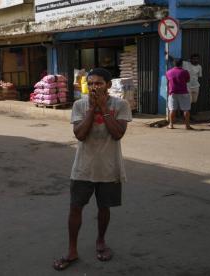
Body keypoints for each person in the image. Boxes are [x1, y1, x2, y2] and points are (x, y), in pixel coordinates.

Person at [53, 68, 132, 271]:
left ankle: (100, 242)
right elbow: (79, 135)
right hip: (83, 168)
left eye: (99, 83)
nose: (94, 87)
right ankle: (72, 250)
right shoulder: (79, 105)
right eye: (91, 83)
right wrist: (91, 110)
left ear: (108, 85)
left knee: (104, 208)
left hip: (109, 167)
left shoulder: (120, 105)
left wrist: (104, 108)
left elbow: (117, 134)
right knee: (75, 207)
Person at [166, 58, 193, 130]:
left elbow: (168, 80)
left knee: (172, 109)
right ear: (182, 64)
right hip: (183, 92)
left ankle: (171, 125)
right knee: (186, 109)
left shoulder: (168, 72)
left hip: (172, 92)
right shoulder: (185, 72)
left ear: (174, 64)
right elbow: (188, 80)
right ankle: (187, 126)